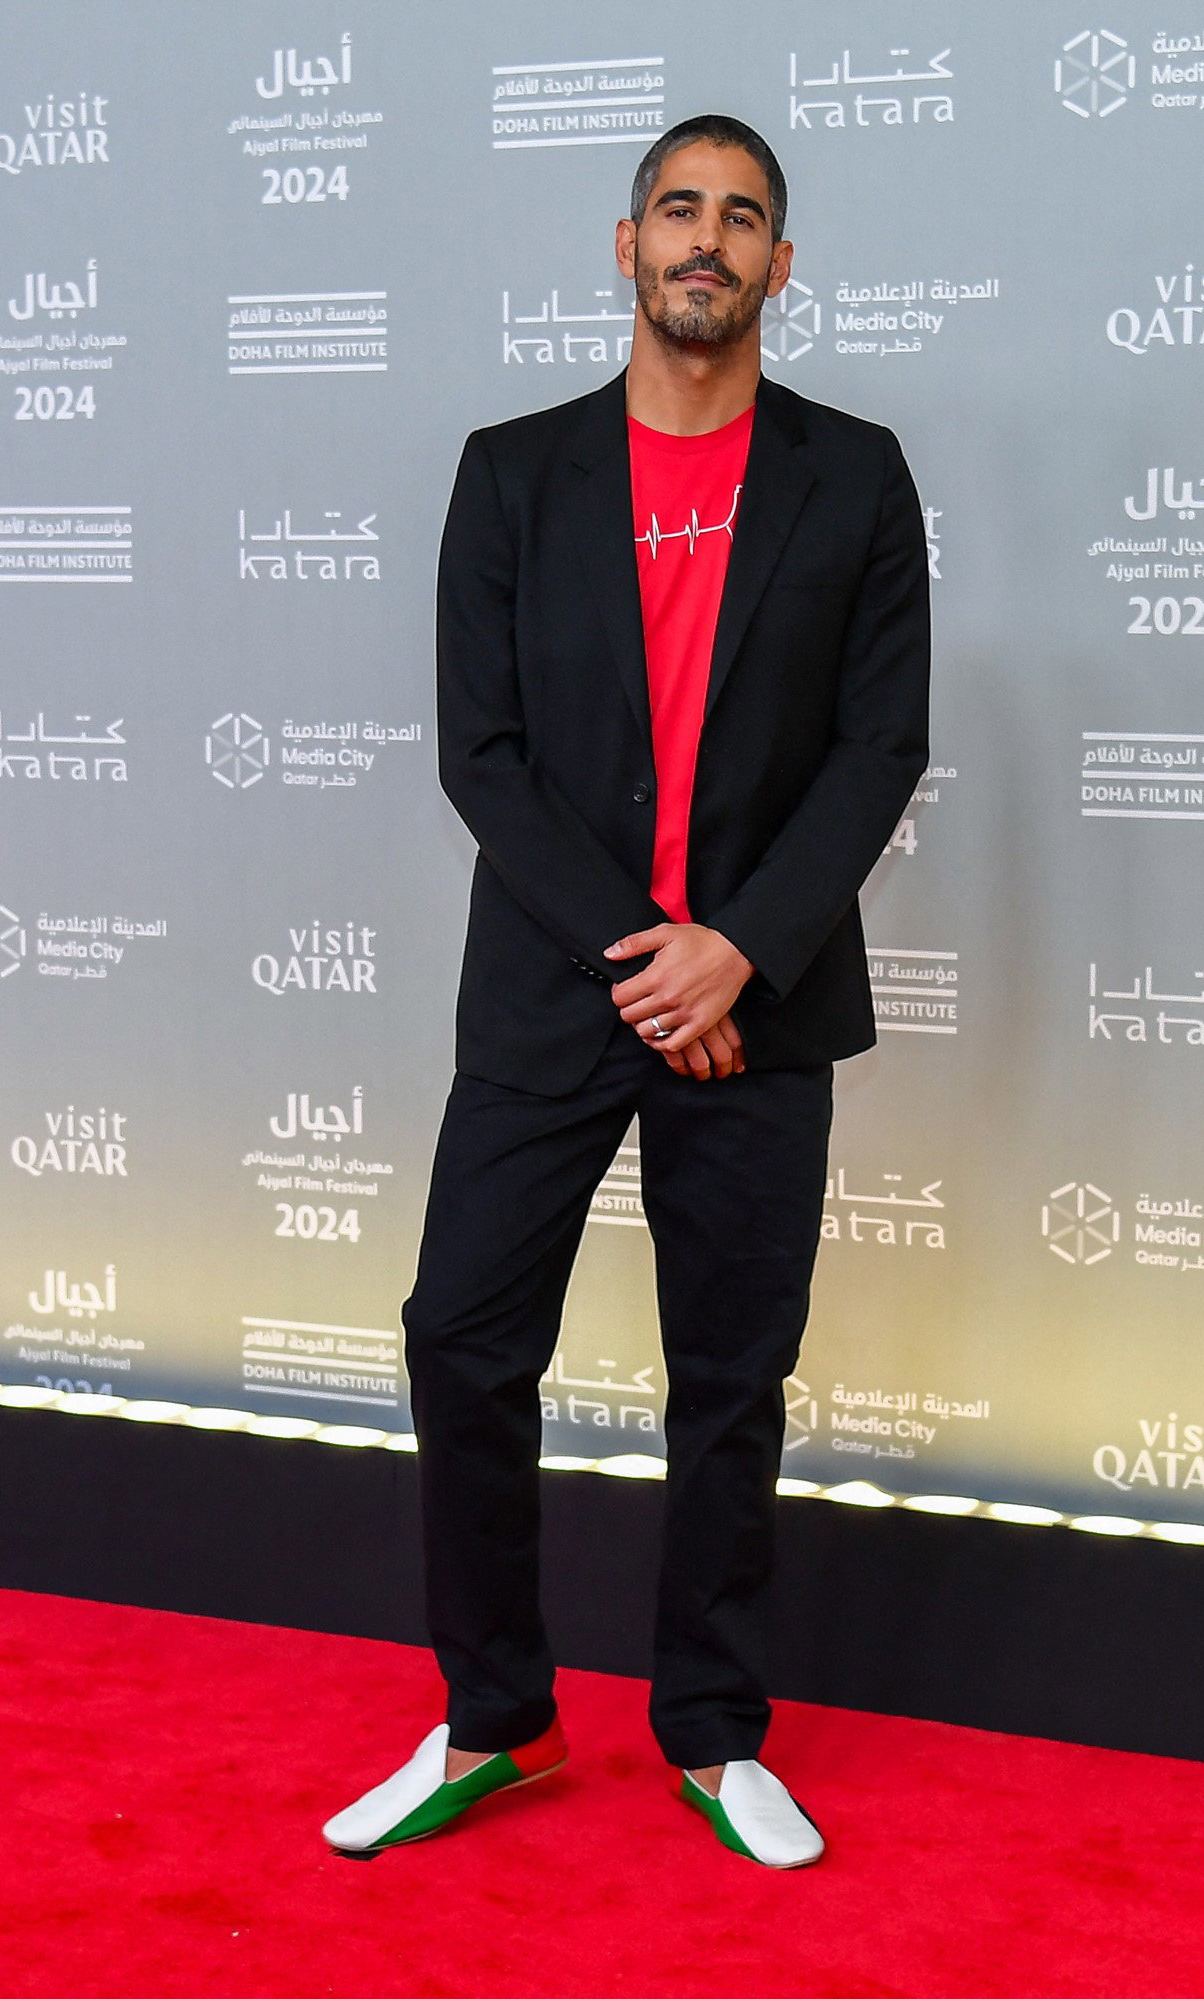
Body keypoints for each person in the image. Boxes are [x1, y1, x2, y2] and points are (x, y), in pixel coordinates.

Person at [323, 113, 930, 1869]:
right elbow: (483, 757)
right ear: (626, 242)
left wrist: (738, 947)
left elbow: (881, 744)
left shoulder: (858, 475)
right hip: (553, 993)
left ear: (779, 270)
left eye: (745, 218)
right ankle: (492, 1717)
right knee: (462, 1333)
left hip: (767, 997)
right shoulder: (512, 472)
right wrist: (651, 959)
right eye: (682, 208)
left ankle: (716, 1728)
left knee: (730, 1374)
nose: (709, 241)